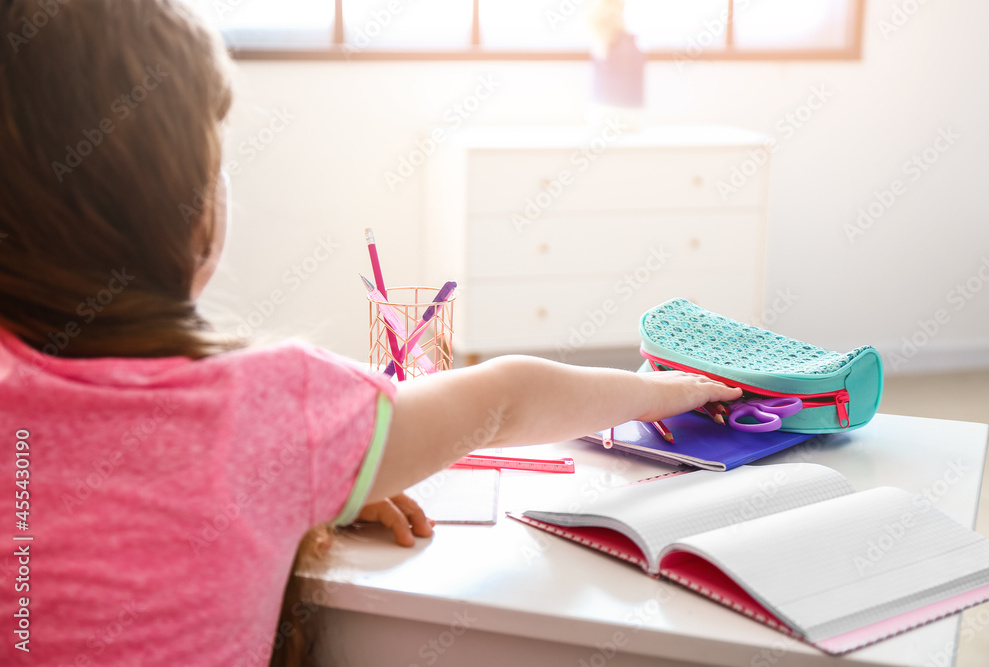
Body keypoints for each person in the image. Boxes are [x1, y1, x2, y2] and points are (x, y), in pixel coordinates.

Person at [0, 1, 742, 665]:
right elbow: (511, 396)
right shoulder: (275, 405)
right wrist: (661, 390)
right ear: (179, 207)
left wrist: (317, 482)